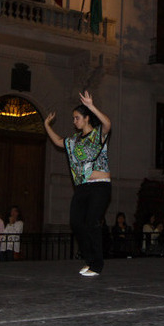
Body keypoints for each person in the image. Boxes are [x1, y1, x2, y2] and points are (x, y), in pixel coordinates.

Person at [44, 91, 111, 277]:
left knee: (92, 222)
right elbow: (58, 141)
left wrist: (91, 105)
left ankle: (97, 265)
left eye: (77, 118)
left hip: (100, 186)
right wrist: (45, 125)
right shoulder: (74, 141)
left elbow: (107, 124)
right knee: (76, 222)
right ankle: (90, 261)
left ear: (87, 118)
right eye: (73, 118)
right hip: (81, 187)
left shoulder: (98, 135)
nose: (74, 121)